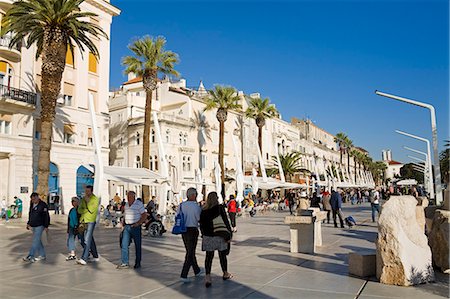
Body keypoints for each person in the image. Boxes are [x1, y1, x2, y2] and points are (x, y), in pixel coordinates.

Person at [200, 192, 233, 288]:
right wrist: (229, 234)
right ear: (216, 198)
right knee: (222, 256)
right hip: (219, 235)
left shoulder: (203, 210)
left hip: (208, 236)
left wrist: (203, 234)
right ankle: (225, 273)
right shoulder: (219, 208)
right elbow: (226, 221)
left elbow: (201, 224)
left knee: (209, 257)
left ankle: (207, 277)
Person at [117, 191, 148, 269]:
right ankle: (125, 262)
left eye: (130, 197)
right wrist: (123, 224)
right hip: (127, 226)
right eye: (128, 197)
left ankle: (138, 262)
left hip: (135, 227)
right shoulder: (126, 205)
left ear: (134, 197)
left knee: (137, 245)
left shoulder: (138, 204)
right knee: (124, 244)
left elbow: (144, 215)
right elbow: (125, 215)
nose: (129, 198)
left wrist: (138, 223)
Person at [178, 187, 203, 282]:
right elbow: (199, 218)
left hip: (183, 230)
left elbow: (177, 216)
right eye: (195, 195)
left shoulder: (181, 205)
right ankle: (184, 274)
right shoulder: (195, 206)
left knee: (190, 250)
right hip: (192, 230)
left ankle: (197, 270)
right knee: (190, 252)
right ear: (192, 195)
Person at [23, 193, 50, 262]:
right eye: (32, 199)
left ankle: (30, 256)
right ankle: (42, 255)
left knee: (35, 241)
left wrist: (46, 226)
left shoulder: (43, 205)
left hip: (40, 225)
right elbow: (30, 214)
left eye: (34, 199)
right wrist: (28, 223)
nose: (33, 200)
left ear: (38, 197)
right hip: (33, 225)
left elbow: (46, 216)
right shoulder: (32, 204)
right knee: (38, 241)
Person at [77, 185, 100, 265]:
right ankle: (95, 256)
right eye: (85, 191)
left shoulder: (95, 199)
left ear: (91, 191)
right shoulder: (83, 199)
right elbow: (79, 210)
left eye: (88, 191)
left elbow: (91, 209)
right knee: (86, 239)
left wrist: (87, 202)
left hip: (90, 221)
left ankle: (84, 258)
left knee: (87, 239)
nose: (86, 193)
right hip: (83, 220)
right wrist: (85, 209)